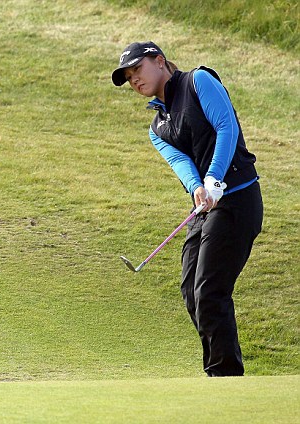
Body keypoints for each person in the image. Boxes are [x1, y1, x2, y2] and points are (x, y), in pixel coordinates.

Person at [111, 41, 263, 377]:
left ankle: (224, 375)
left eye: (137, 69)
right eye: (128, 77)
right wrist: (198, 187)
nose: (134, 80)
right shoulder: (158, 127)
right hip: (206, 208)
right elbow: (181, 162)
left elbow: (226, 127)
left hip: (237, 198)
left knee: (209, 289)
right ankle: (220, 370)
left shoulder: (199, 82)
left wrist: (213, 178)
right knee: (191, 289)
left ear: (160, 61)